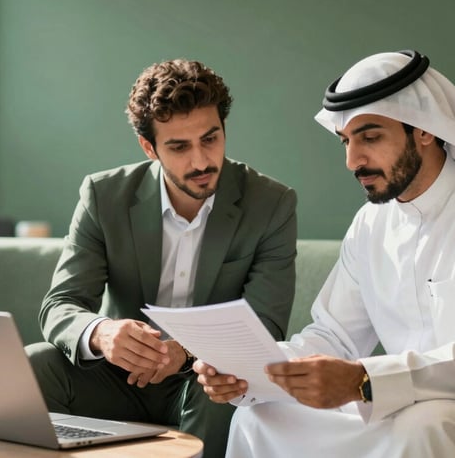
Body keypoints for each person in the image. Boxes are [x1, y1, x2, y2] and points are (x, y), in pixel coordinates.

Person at [194, 50, 455, 457]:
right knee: (261, 418)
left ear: (424, 128)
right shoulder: (372, 223)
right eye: (346, 141)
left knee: (425, 428)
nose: (353, 160)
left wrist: (363, 380)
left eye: (370, 137)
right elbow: (333, 336)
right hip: (419, 406)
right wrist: (252, 373)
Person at [26, 59, 297, 458]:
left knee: (221, 385)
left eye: (211, 139)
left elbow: (266, 321)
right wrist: (102, 334)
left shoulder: (271, 203)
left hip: (204, 375)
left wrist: (185, 351)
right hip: (115, 375)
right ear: (149, 147)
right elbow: (60, 304)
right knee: (36, 365)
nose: (201, 161)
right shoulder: (104, 196)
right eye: (179, 147)